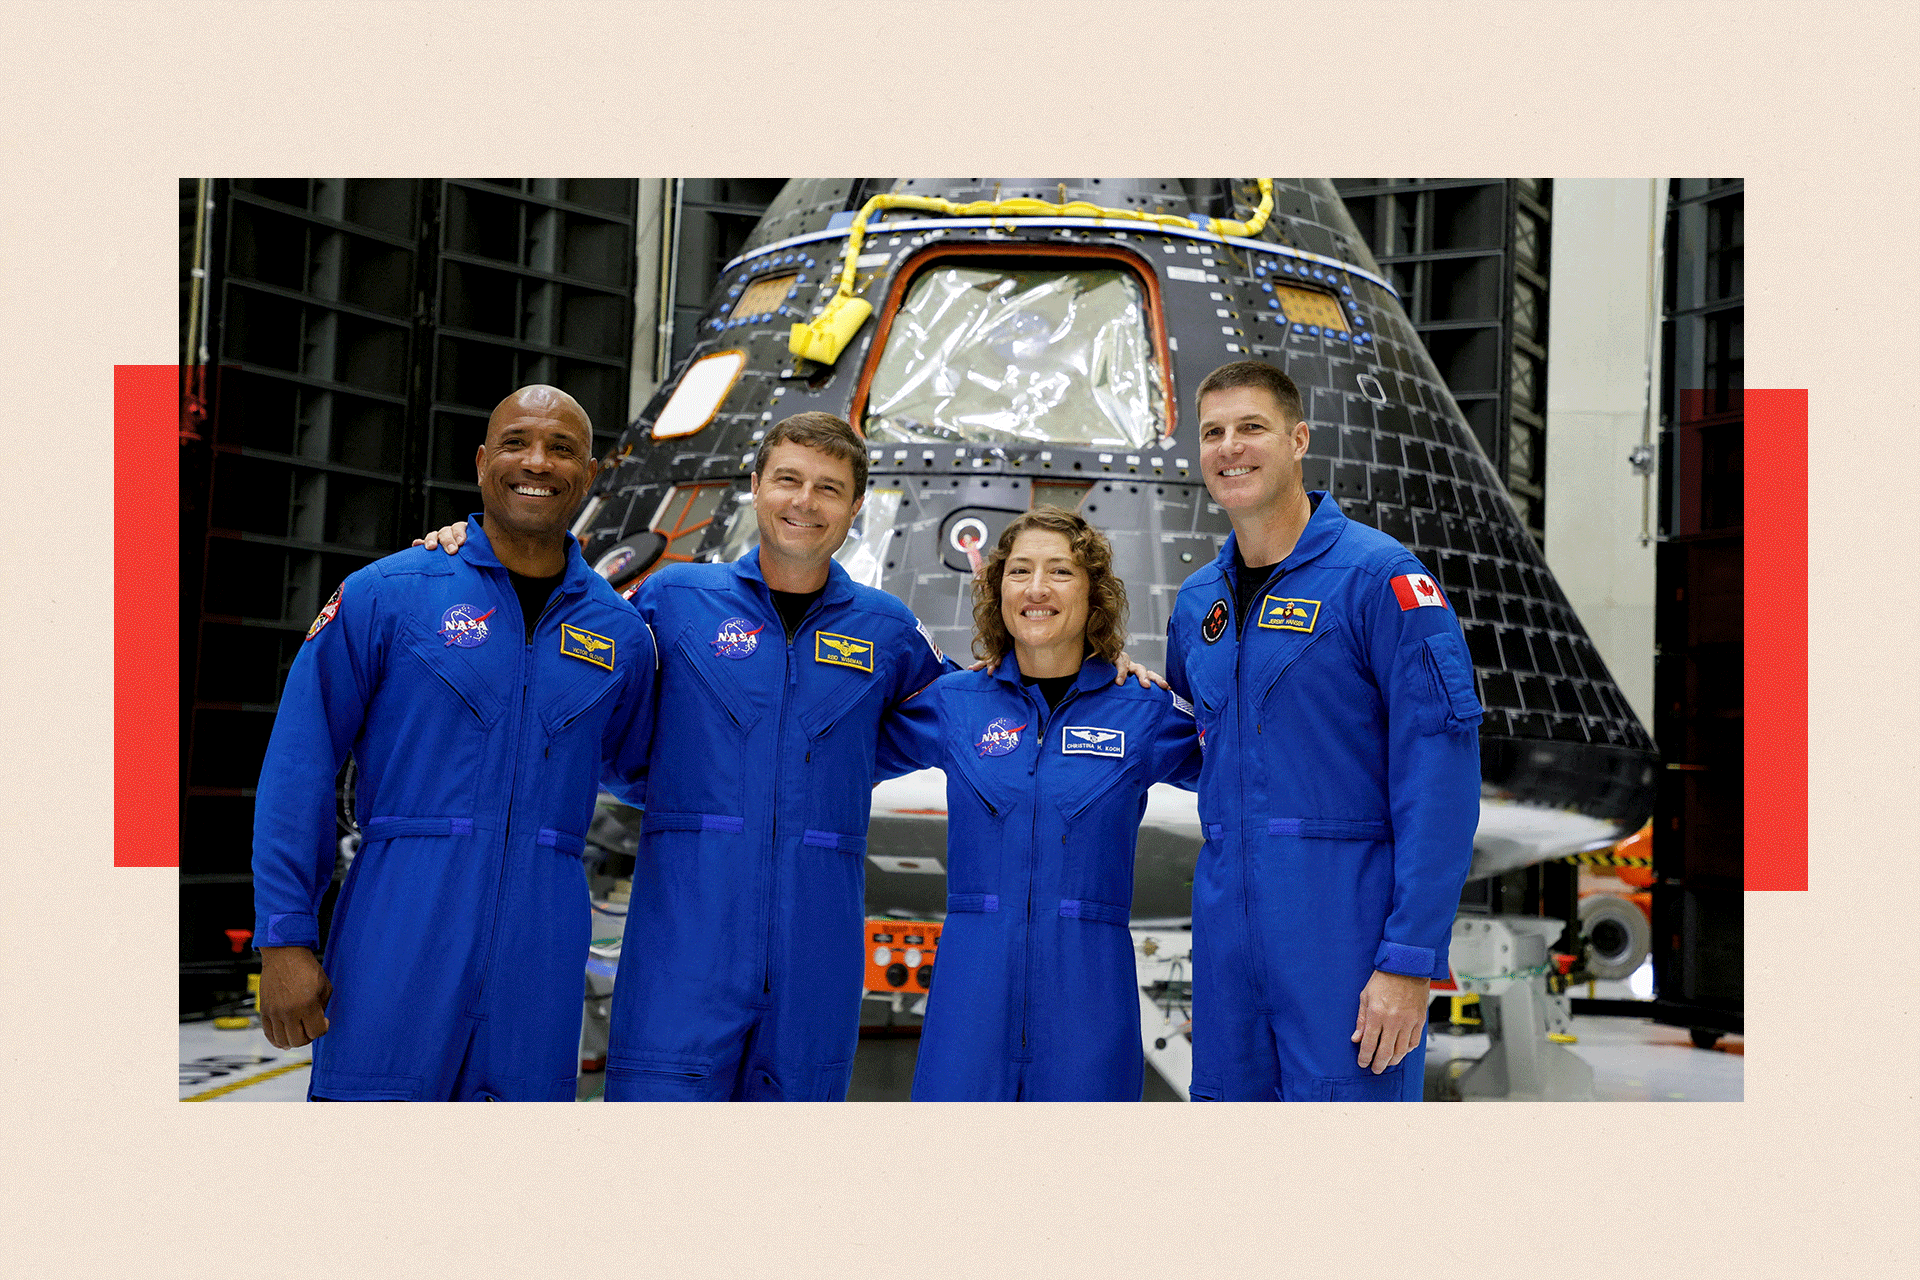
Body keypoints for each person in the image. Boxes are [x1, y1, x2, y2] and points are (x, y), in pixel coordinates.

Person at [423, 412, 1167, 1100]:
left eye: (829, 489)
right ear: (755, 488)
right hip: (686, 945)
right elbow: (575, 657)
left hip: (814, 960)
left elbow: (996, 705)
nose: (804, 502)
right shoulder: (673, 599)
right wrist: (475, 548)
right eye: (788, 480)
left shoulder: (885, 630)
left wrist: (1107, 671)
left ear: (855, 509)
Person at [251, 385, 659, 1101]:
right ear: (480, 463)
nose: (537, 461)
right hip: (397, 924)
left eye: (562, 448)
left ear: (589, 475)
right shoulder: (390, 594)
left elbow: (648, 770)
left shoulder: (622, 636)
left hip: (542, 945)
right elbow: (299, 766)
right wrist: (284, 936)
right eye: (516, 443)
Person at [1164, 361, 1482, 1102]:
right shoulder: (1197, 603)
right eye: (1213, 433)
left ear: (1299, 439)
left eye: (1252, 428)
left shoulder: (1380, 580)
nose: (1229, 448)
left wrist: (1409, 959)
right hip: (1226, 944)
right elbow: (1195, 748)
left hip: (1343, 937)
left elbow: (1439, 783)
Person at [876, 508, 1199, 1101]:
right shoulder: (955, 702)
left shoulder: (1144, 709)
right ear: (998, 590)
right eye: (1020, 571)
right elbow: (838, 749)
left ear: (1094, 593)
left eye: (1061, 572)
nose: (1038, 589)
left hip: (1089, 991)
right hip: (971, 989)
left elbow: (1249, 770)